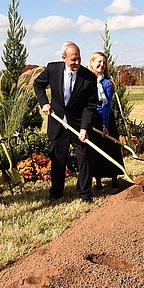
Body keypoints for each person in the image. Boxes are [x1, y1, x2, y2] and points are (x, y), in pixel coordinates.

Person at [33, 42, 100, 202]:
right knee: (58, 159)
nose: (77, 63)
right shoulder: (52, 69)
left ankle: (85, 194)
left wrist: (84, 128)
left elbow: (90, 105)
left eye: (79, 59)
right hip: (58, 123)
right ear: (64, 58)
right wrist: (44, 103)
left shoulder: (89, 78)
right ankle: (56, 192)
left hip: (78, 125)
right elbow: (38, 85)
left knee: (83, 158)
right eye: (73, 59)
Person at [87, 52, 125, 192]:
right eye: (99, 62)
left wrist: (105, 125)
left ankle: (114, 179)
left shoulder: (107, 83)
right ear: (91, 63)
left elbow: (106, 106)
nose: (101, 65)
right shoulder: (87, 81)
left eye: (104, 63)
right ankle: (97, 180)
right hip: (92, 120)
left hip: (106, 120)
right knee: (95, 151)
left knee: (110, 148)